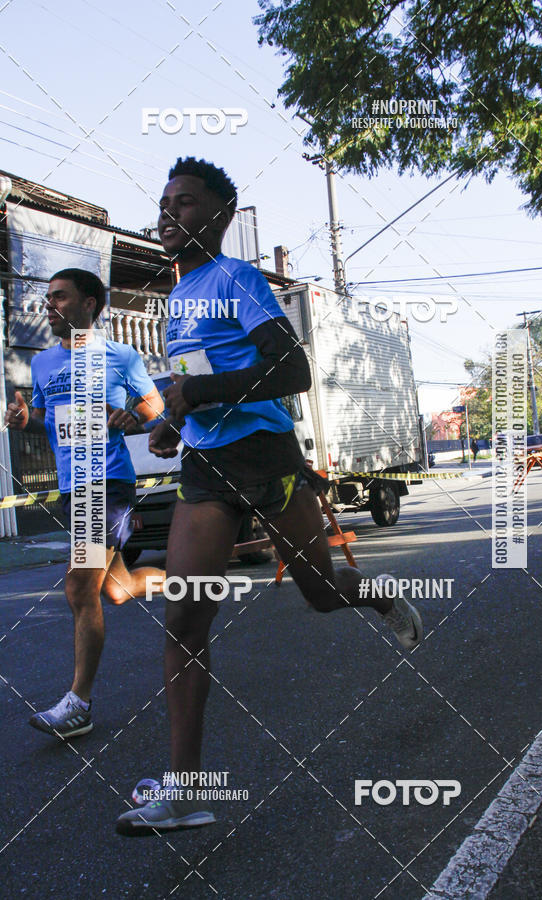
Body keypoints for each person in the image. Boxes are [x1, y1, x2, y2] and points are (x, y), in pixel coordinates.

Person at [116, 158, 423, 835]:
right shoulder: (178, 296)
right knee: (185, 623)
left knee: (318, 593)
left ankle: (374, 595)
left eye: (186, 203)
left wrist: (198, 395)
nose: (169, 215)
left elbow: (292, 368)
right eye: (163, 203)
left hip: (267, 458)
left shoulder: (237, 279)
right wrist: (173, 420)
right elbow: (201, 379)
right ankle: (186, 790)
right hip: (206, 466)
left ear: (221, 214)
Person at [5, 268, 166, 738]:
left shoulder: (120, 356)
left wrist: (130, 417)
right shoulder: (42, 364)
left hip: (108, 482)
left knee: (79, 588)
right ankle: (184, 576)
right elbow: (45, 418)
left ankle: (79, 703)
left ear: (90, 304)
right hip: (74, 487)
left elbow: (154, 410)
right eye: (48, 298)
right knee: (114, 590)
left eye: (60, 297)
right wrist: (24, 418)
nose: (49, 306)